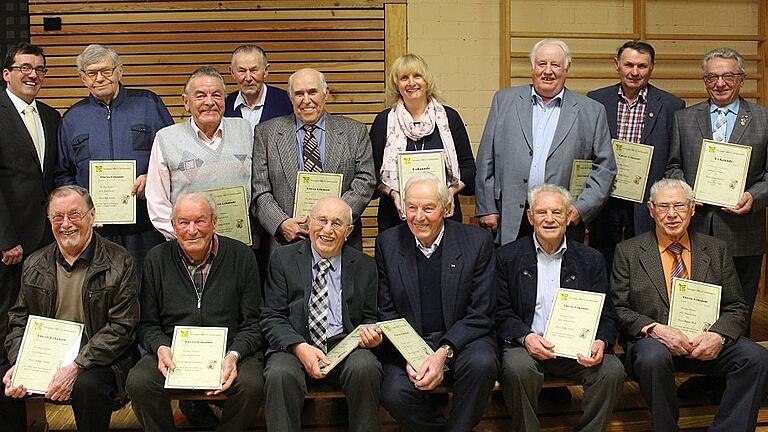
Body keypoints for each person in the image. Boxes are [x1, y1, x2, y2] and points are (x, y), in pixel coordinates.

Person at [611, 178, 768, 431]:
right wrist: (655, 330)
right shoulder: (628, 252)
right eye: (663, 207)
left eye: (679, 206)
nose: (672, 214)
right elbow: (619, 309)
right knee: (653, 357)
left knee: (756, 357)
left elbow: (736, 305)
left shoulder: (716, 249)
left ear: (692, 209)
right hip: (655, 345)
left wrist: (718, 335)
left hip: (705, 343)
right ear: (651, 210)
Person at [3, 185, 140, 432]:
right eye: (57, 217)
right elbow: (18, 319)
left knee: (87, 387)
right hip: (45, 358)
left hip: (101, 359)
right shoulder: (35, 263)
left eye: (74, 214)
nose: (66, 224)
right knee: (5, 383)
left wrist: (77, 365)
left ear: (92, 215)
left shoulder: (120, 261)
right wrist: (20, 363)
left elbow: (123, 328)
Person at [126, 192, 263, 431]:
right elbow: (147, 324)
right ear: (172, 226)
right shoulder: (156, 259)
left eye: (200, 221)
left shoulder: (242, 257)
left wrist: (234, 354)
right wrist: (161, 347)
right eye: (183, 222)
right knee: (139, 382)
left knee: (252, 384)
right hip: (174, 353)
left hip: (228, 351)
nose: (192, 230)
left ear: (214, 222)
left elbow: (252, 323)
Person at [496, 184, 625, 432]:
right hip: (526, 347)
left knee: (611, 369)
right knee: (517, 368)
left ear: (568, 217)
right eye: (542, 212)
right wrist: (526, 337)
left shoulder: (591, 259)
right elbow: (500, 312)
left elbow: (607, 314)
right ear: (530, 217)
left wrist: (601, 342)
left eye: (557, 212)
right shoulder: (507, 257)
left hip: (575, 350)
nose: (549, 219)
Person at [375, 172, 498, 431]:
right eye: (412, 208)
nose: (419, 217)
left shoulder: (477, 243)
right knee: (392, 392)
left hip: (462, 341)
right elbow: (386, 312)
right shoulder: (387, 243)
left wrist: (443, 352)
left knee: (482, 364)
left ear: (446, 208)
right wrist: (413, 354)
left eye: (428, 208)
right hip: (411, 341)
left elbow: (481, 313)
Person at [475, 39, 615, 246]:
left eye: (555, 65)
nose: (548, 71)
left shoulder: (591, 111)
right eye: (542, 64)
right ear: (533, 67)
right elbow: (486, 157)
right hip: (511, 215)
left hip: (561, 218)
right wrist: (487, 207)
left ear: (566, 69)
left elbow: (605, 168)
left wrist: (581, 208)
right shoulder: (504, 101)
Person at [666, 47, 768, 326]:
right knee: (695, 306)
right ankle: (697, 363)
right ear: (705, 80)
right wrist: (685, 192)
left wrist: (754, 195)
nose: (719, 83)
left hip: (743, 228)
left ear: (742, 78)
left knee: (740, 305)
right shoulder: (685, 118)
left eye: (727, 76)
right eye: (712, 77)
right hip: (696, 227)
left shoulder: (763, 118)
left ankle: (736, 364)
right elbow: (673, 166)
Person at [260, 196, 382, 431]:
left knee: (366, 367)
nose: (327, 230)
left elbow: (370, 318)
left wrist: (371, 336)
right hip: (296, 346)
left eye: (336, 223)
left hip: (344, 345)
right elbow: (272, 316)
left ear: (349, 231)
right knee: (279, 373)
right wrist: (298, 347)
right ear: (309, 223)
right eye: (321, 220)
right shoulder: (283, 259)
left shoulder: (365, 266)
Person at [55, 44, 172, 274]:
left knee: (147, 288)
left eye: (106, 71)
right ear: (82, 78)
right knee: (101, 291)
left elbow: (172, 154)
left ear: (120, 71)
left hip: (146, 223)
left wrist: (152, 179)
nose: (100, 78)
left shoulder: (149, 104)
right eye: (92, 73)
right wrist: (81, 205)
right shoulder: (72, 118)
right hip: (96, 229)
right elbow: (63, 173)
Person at [251, 67, 375, 250]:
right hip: (287, 244)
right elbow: (260, 190)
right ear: (290, 97)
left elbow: (366, 180)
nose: (306, 100)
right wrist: (281, 223)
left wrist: (334, 220)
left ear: (326, 93)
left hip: (341, 242)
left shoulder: (354, 132)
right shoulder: (266, 133)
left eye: (312, 92)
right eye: (299, 93)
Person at [587, 41, 685, 270]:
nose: (634, 72)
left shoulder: (672, 105)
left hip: (647, 200)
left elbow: (674, 156)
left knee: (644, 260)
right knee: (602, 257)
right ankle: (607, 306)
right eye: (628, 64)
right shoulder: (596, 100)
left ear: (651, 68)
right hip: (606, 197)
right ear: (617, 65)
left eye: (642, 66)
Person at [0, 43, 60, 370]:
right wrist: (5, 239)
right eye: (24, 67)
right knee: (6, 322)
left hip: (46, 239)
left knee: (41, 318)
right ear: (6, 74)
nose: (32, 74)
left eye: (39, 69)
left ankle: (36, 408)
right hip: (10, 243)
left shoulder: (50, 117)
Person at [146, 66, 254, 240]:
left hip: (240, 243)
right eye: (200, 95)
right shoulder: (166, 138)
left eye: (217, 95)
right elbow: (157, 201)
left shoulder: (245, 130)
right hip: (188, 246)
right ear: (186, 102)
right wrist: (185, 236)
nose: (209, 102)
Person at [370, 53, 476, 232]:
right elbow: (372, 175)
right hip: (396, 217)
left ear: (427, 81)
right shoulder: (384, 122)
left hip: (443, 216)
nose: (411, 83)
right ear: (397, 85)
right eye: (404, 78)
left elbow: (468, 168)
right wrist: (393, 193)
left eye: (417, 76)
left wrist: (449, 192)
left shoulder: (449, 118)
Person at [224, 44, 292, 127]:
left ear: (266, 70)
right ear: (232, 72)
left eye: (253, 70)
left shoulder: (287, 102)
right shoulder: (225, 106)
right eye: (242, 71)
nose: (248, 78)